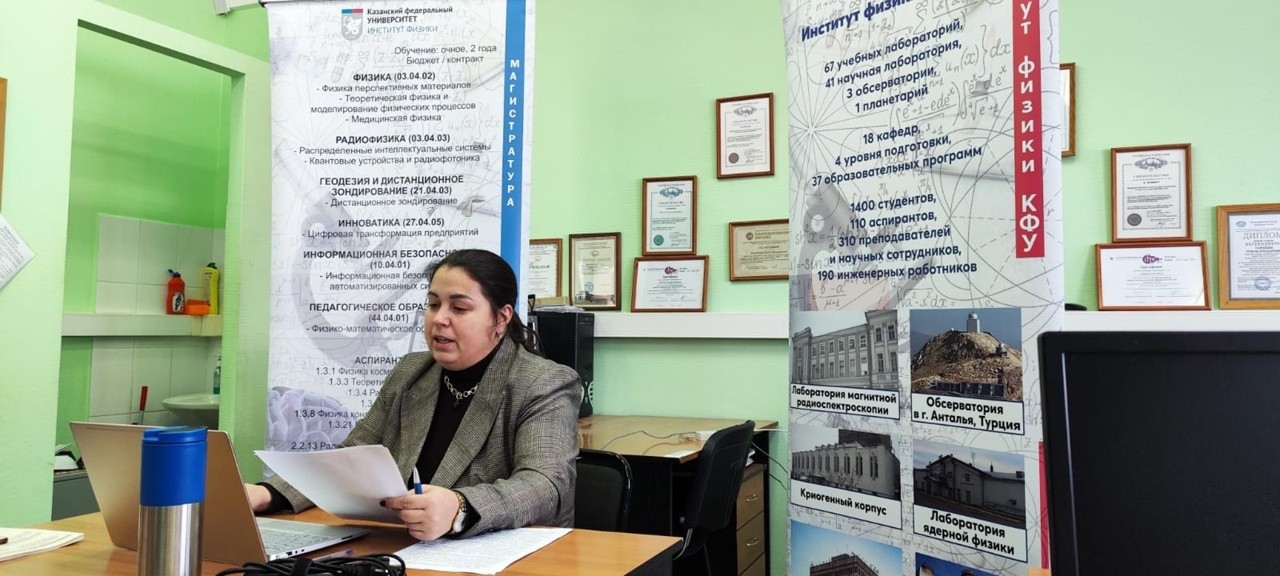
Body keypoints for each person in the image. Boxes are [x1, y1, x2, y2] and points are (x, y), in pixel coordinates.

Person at [245, 249, 582, 540]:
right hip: (405, 546)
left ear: (501, 318)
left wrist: (460, 507)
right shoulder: (412, 373)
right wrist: (268, 493)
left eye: (459, 308)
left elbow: (545, 484)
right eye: (433, 304)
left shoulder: (543, 382)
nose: (439, 319)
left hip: (504, 556)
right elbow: (350, 457)